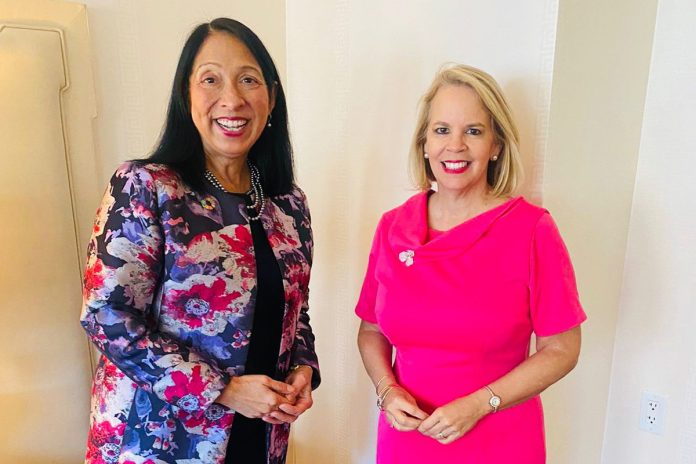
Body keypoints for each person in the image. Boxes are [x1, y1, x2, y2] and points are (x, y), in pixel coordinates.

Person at [80, 18, 319, 464]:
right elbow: (106, 315)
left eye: (248, 80)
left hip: (260, 434)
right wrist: (223, 390)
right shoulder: (147, 186)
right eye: (210, 79)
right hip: (157, 438)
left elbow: (294, 309)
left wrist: (304, 367)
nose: (232, 99)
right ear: (185, 95)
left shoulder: (288, 204)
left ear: (271, 97)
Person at [355, 64, 586, 463]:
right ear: (424, 143)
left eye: (474, 131)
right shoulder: (393, 227)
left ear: (496, 145)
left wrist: (481, 403)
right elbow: (371, 330)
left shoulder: (531, 230)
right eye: (442, 130)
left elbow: (562, 348)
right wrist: (386, 390)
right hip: (407, 440)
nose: (455, 145)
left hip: (499, 439)